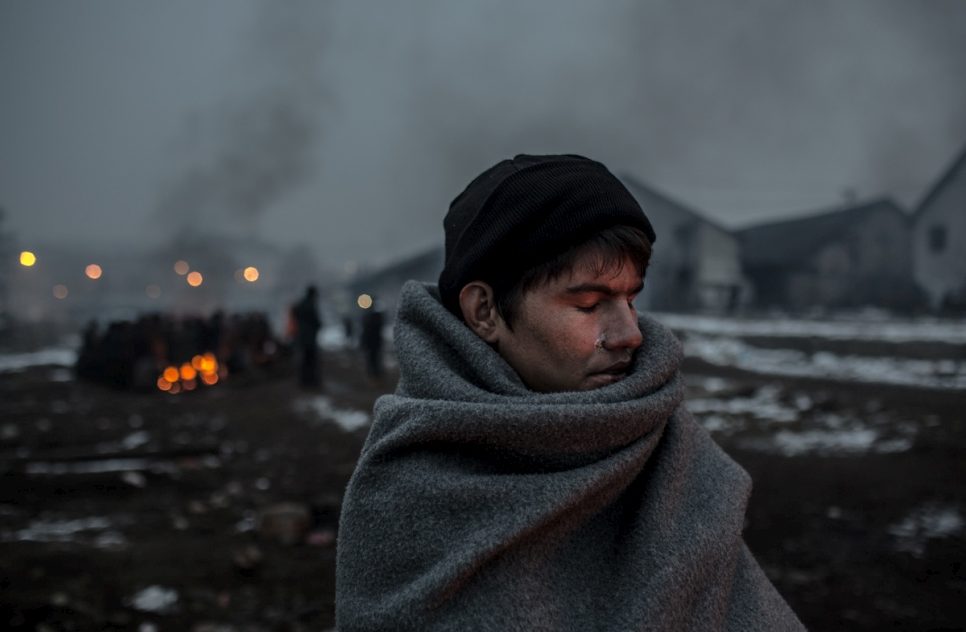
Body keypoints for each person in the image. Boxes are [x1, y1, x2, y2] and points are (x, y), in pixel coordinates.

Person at [336, 155, 804, 630]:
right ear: (485, 312)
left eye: (631, 299)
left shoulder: (670, 455)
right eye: (588, 303)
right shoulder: (412, 483)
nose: (629, 334)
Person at [291, 284, 322, 389]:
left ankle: (304, 381)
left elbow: (294, 312)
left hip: (302, 337)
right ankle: (311, 382)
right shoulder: (310, 305)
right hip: (310, 338)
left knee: (304, 361)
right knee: (311, 361)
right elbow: (316, 321)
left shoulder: (300, 305)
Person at [359, 300, 385, 379]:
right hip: (373, 341)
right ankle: (375, 375)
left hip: (373, 341)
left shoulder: (371, 316)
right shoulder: (374, 315)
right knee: (373, 359)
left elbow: (366, 330)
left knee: (373, 359)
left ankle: (375, 375)